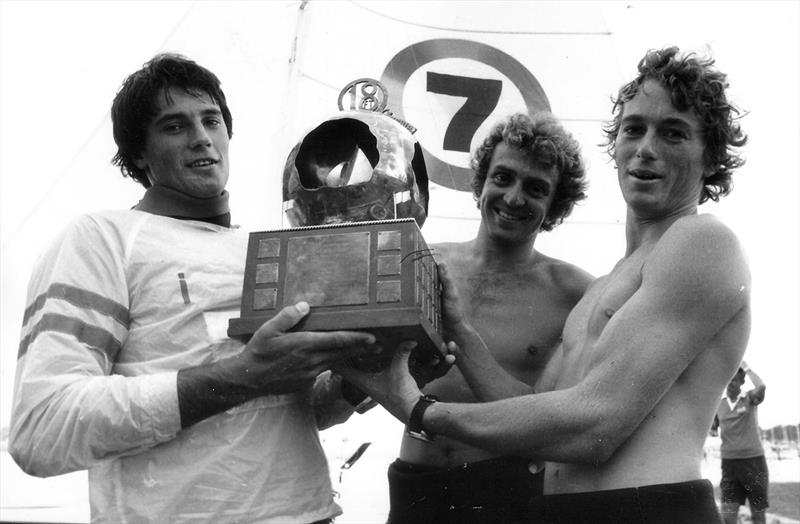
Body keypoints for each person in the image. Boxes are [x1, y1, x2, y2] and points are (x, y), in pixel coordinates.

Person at [341, 46, 750, 524]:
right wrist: (460, 332)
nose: (646, 148)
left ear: (712, 158)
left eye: (673, 133)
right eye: (634, 129)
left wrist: (420, 410)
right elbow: (534, 411)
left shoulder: (702, 240)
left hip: (645, 510)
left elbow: (596, 426)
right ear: (614, 145)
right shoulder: (606, 286)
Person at [8, 53, 381, 524]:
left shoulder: (269, 248)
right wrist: (244, 375)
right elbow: (41, 428)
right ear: (138, 153)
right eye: (174, 126)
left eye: (211, 120)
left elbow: (282, 412)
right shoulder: (102, 237)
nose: (202, 137)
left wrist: (352, 382)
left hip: (310, 514)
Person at [387, 113, 593, 524]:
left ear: (555, 205)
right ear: (480, 182)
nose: (514, 198)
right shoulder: (424, 261)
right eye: (503, 178)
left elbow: (569, 419)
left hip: (507, 491)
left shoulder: (576, 292)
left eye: (536, 188)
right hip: (414, 482)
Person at [711, 362, 768, 524]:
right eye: (727, 380)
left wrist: (748, 369)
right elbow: (710, 428)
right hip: (729, 466)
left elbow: (762, 386)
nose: (729, 384)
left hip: (754, 463)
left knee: (758, 515)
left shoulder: (750, 398)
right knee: (728, 516)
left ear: (741, 382)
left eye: (734, 381)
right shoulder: (719, 405)